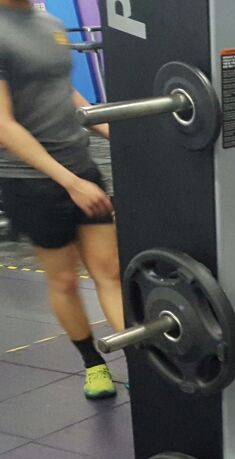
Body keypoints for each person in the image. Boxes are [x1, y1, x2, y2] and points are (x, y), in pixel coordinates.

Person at [0, 0, 123, 398]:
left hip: (80, 165)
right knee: (66, 279)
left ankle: (143, 357)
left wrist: (106, 129)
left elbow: (63, 89)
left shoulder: (50, 22)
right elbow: (3, 126)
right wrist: (69, 182)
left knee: (111, 271)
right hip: (30, 179)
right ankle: (94, 365)